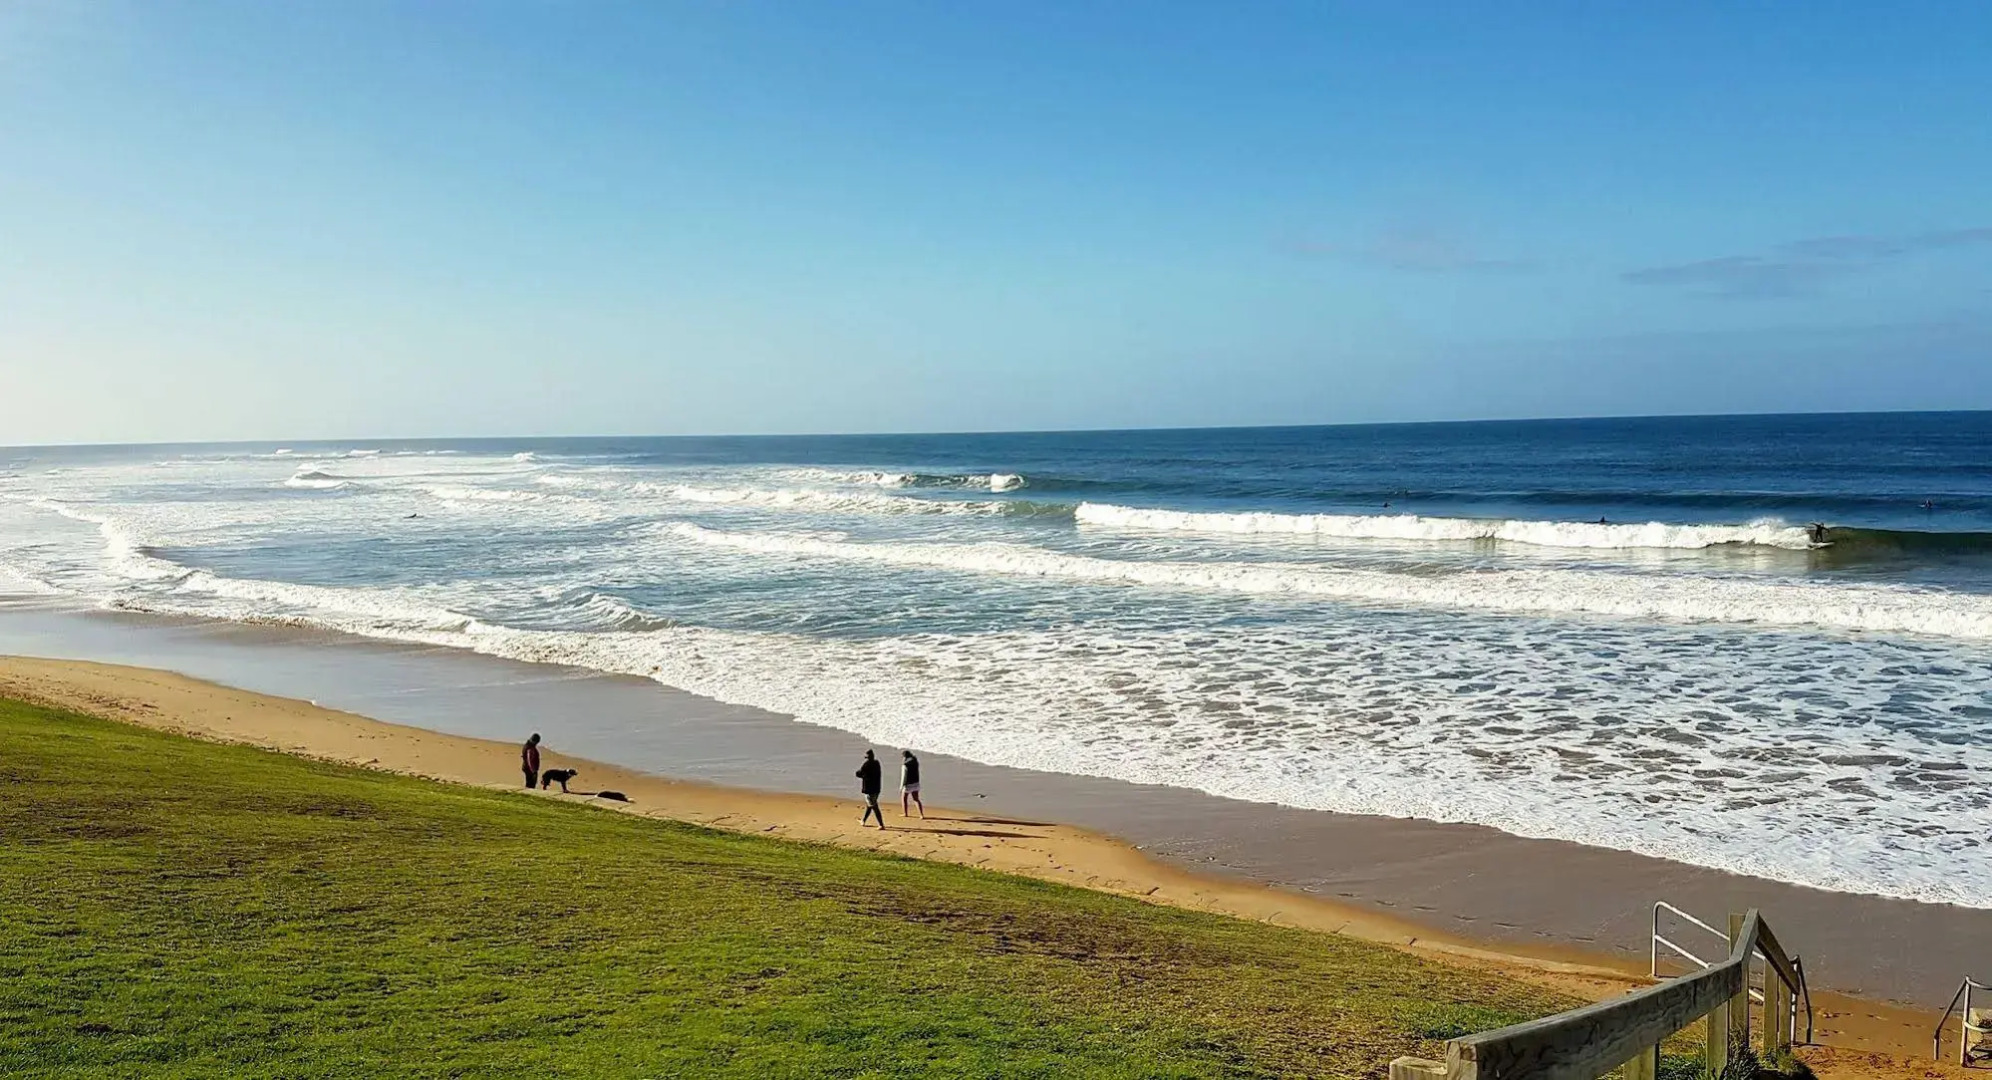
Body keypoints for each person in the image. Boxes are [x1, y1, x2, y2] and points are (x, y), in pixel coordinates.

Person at [855, 750, 886, 829]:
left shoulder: (866, 765)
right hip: (877, 788)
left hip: (869, 789)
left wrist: (861, 775)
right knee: (869, 805)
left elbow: (859, 773)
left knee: (874, 806)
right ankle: (863, 820)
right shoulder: (877, 763)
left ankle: (881, 824)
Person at [900, 750, 925, 819]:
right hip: (916, 783)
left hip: (908, 784)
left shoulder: (905, 765)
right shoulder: (915, 761)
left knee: (904, 798)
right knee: (916, 799)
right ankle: (921, 814)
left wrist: (901, 786)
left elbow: (904, 776)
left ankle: (905, 813)